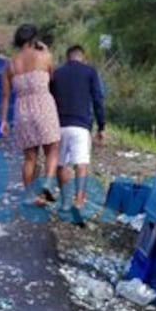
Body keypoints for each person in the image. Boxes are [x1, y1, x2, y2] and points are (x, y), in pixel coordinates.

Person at [0, 24, 60, 205]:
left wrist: (3, 120)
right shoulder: (45, 57)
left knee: (30, 157)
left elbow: (5, 96)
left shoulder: (10, 65)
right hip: (43, 105)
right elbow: (53, 78)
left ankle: (30, 196)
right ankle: (47, 186)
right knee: (52, 149)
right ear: (34, 39)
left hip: (23, 110)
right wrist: (46, 51)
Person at [50, 45, 105, 211]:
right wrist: (101, 126)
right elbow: (97, 100)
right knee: (81, 164)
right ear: (83, 56)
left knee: (61, 165)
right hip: (81, 126)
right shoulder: (90, 72)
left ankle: (66, 201)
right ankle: (79, 201)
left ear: (68, 57)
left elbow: (50, 99)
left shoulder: (57, 73)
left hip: (59, 125)